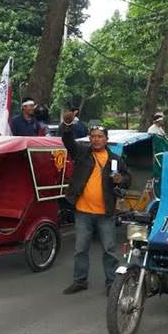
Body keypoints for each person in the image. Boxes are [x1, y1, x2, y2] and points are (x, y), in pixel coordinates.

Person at [60, 110, 131, 296]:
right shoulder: (82, 153)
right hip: (82, 211)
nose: (96, 139)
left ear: (106, 139)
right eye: (93, 137)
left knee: (109, 250)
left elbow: (127, 179)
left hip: (105, 213)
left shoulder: (115, 159)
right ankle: (79, 281)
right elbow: (68, 142)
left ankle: (111, 284)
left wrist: (120, 179)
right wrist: (67, 126)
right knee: (80, 249)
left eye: (100, 136)